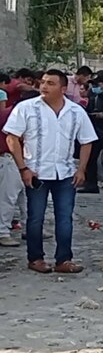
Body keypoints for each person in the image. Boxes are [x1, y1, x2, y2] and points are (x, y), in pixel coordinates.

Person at [3, 69, 97, 274]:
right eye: (43, 82)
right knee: (35, 217)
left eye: (51, 83)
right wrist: (23, 168)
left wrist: (81, 169)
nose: (44, 86)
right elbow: (12, 138)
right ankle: (35, 258)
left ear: (63, 88)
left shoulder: (75, 111)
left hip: (64, 172)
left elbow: (87, 140)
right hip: (36, 172)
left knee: (65, 217)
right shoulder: (26, 108)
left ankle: (63, 259)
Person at [0, 90, 20, 247]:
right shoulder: (12, 116)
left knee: (25, 197)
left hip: (20, 158)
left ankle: (31, 226)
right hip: (9, 157)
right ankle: (2, 232)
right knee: (8, 196)